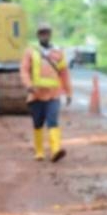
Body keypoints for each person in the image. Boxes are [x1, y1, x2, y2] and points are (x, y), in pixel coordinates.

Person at [20, 23, 72, 162]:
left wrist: (68, 92)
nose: (44, 35)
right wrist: (28, 85)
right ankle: (39, 152)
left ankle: (56, 150)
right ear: (38, 35)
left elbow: (64, 73)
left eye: (47, 33)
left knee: (53, 121)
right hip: (36, 94)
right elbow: (24, 70)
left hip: (53, 95)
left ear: (50, 34)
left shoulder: (58, 52)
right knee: (38, 123)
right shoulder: (31, 51)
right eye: (42, 33)